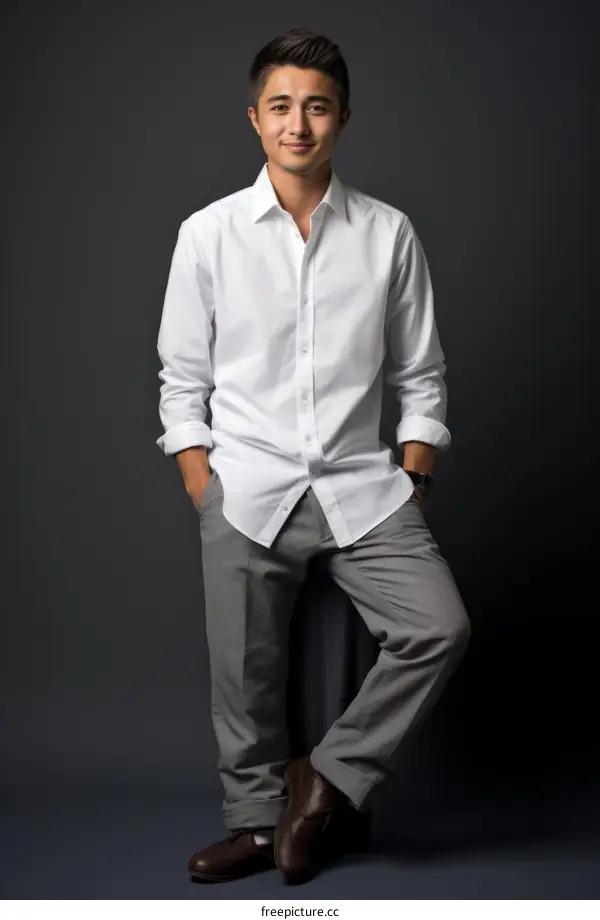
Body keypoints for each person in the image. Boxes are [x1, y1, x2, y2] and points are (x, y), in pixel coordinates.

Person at [155, 27, 471, 886]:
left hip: (365, 487)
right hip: (247, 486)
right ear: (255, 117)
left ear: (343, 119)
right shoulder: (208, 235)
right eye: (283, 106)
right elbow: (181, 381)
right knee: (243, 677)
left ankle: (326, 782)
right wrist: (203, 486)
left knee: (438, 628)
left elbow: (421, 371)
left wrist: (413, 473)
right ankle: (258, 828)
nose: (300, 124)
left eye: (318, 107)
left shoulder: (387, 234)